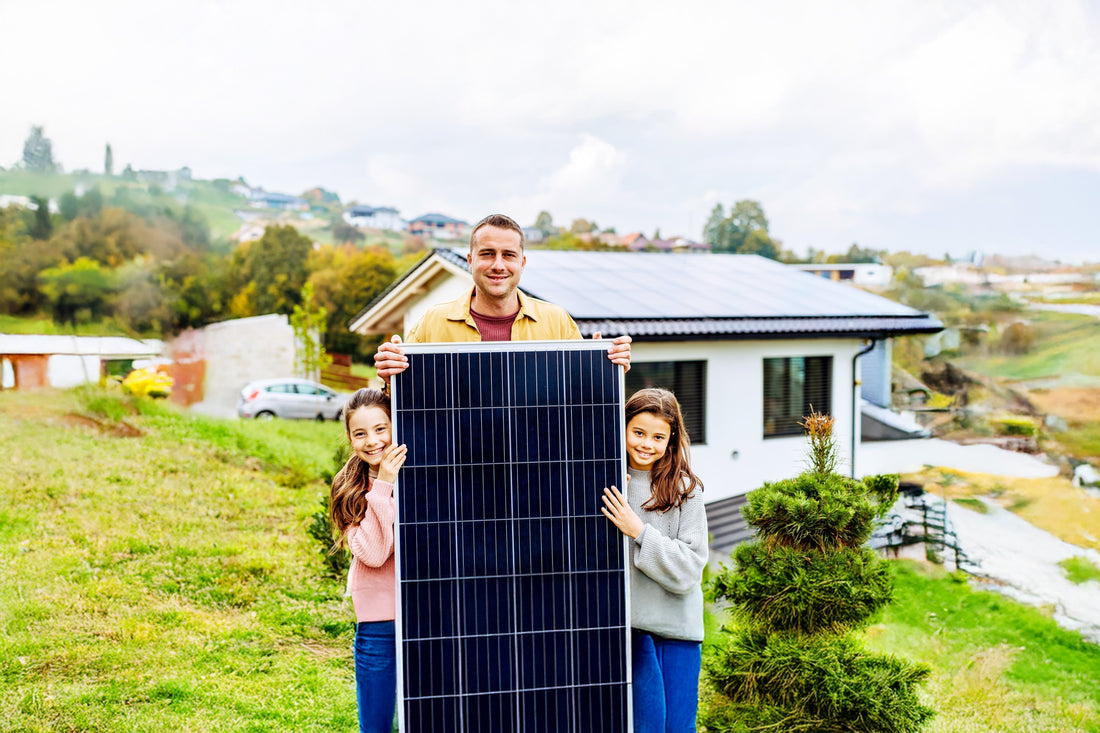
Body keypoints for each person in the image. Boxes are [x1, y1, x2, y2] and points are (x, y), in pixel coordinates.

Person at [372, 213, 631, 379]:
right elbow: (405, 404)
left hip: (537, 461)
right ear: (470, 261)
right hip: (458, 462)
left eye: (508, 255)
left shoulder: (557, 323)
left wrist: (606, 368)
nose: (498, 265)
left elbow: (581, 397)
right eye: (487, 254)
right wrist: (389, 376)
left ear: (522, 262)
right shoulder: (433, 323)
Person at [600, 388, 708, 733]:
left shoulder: (685, 490)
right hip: (625, 630)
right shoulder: (604, 482)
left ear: (671, 439)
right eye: (638, 432)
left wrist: (639, 531)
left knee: (677, 727)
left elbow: (690, 568)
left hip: (675, 631)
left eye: (658, 436)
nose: (647, 443)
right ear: (622, 427)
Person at [328, 388, 407, 733]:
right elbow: (374, 554)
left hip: (430, 616)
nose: (372, 441)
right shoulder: (349, 487)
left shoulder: (424, 470)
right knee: (376, 725)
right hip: (380, 625)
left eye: (381, 428)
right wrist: (383, 486)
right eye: (360, 433)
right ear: (349, 437)